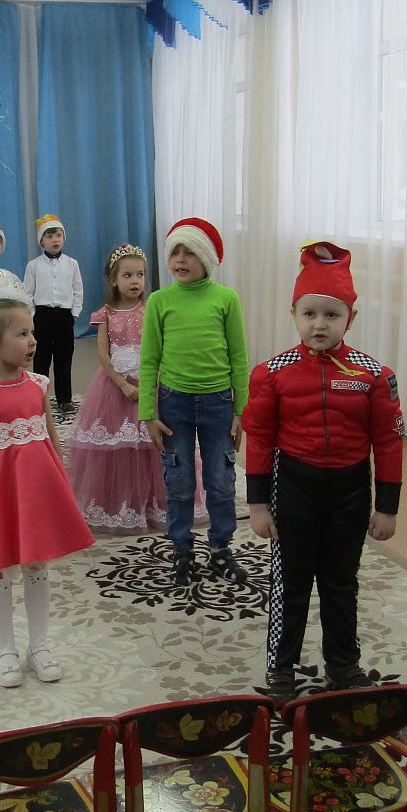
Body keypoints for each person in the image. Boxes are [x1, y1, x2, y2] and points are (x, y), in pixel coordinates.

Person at [243, 242, 404, 699]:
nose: (319, 324)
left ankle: (343, 664)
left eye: (331, 315)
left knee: (341, 583)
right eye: (309, 313)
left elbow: (388, 443)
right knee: (290, 584)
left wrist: (387, 507)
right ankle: (281, 668)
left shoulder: (374, 376)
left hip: (350, 493)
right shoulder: (271, 373)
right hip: (293, 489)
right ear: (293, 314)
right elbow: (260, 439)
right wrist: (258, 504)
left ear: (350, 318)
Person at [0, 298, 94, 686]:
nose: (33, 340)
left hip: (38, 496)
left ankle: (40, 646)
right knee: (0, 571)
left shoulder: (38, 384)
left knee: (38, 567)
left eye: (32, 332)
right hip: (1, 499)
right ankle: (6, 650)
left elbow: (51, 438)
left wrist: (61, 488)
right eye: (22, 333)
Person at [140, 217, 251, 587]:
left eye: (190, 252)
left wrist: (240, 411)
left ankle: (220, 548)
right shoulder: (159, 301)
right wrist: (148, 413)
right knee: (180, 481)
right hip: (174, 405)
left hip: (219, 403)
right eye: (175, 252)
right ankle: (182, 549)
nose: (181, 260)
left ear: (206, 258)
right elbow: (149, 360)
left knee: (221, 480)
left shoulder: (226, 299)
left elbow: (238, 358)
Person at [65, 244, 171, 535]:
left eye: (140, 275)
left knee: (150, 444)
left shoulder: (151, 309)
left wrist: (156, 379)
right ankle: (117, 503)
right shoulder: (106, 314)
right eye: (127, 275)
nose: (135, 281)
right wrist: (121, 383)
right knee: (117, 445)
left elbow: (160, 346)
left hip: (149, 384)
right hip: (115, 387)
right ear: (114, 279)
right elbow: (102, 353)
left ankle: (152, 502)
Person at [22, 213, 82, 419]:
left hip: (64, 316)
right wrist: (32, 316)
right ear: (41, 241)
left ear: (63, 238)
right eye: (49, 236)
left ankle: (64, 399)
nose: (54, 239)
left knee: (64, 358)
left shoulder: (72, 264)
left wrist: (74, 313)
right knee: (41, 358)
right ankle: (39, 398)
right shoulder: (34, 265)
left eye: (58, 235)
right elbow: (27, 293)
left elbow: (78, 290)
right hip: (42, 316)